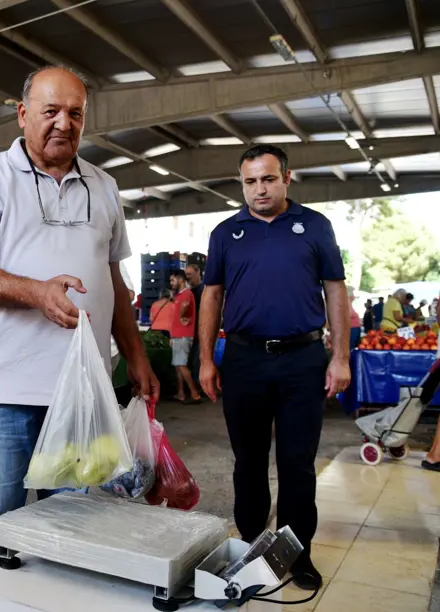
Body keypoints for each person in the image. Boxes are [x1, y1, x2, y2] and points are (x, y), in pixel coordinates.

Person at [0, 65, 159, 575]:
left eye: (75, 113)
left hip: (83, 391)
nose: (63, 123)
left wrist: (136, 357)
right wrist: (37, 293)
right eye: (50, 111)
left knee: (74, 521)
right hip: (6, 389)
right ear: (22, 116)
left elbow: (115, 282)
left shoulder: (104, 187)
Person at [199, 144, 350, 591]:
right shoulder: (227, 232)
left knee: (297, 463)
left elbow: (335, 292)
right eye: (250, 181)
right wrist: (207, 359)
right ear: (241, 183)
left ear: (287, 177)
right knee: (247, 462)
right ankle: (249, 547)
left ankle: (296, 554)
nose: (259, 189)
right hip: (243, 359)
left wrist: (339, 356)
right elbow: (211, 295)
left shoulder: (315, 227)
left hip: (302, 360)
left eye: (267, 179)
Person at [170, 270, 201, 404]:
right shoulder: (179, 295)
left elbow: (186, 305)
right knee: (178, 365)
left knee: (181, 364)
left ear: (181, 280)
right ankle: (181, 393)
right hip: (178, 335)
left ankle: (195, 394)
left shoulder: (187, 294)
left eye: (173, 280)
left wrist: (182, 315)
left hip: (183, 335)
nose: (171, 283)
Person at [185, 263, 204, 390]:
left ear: (198, 273)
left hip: (201, 332)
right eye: (186, 275)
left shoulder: (204, 291)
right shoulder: (189, 292)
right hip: (191, 333)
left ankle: (201, 388)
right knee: (194, 361)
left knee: (199, 361)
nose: (187, 277)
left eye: (189, 274)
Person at [348, 286, 362, 351]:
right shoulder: (347, 303)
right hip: (352, 328)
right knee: (351, 347)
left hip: (354, 328)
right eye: (352, 294)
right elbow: (349, 315)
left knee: (353, 346)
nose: (354, 296)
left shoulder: (349, 303)